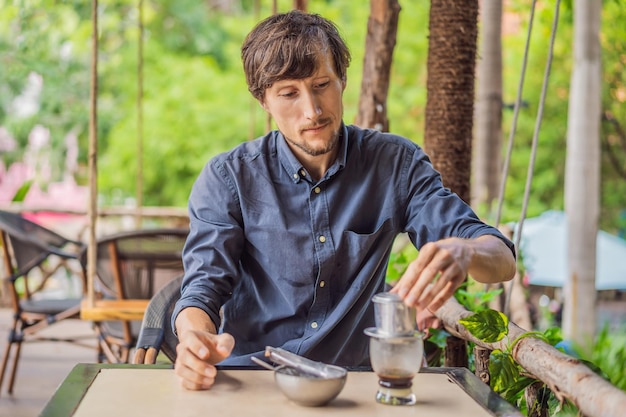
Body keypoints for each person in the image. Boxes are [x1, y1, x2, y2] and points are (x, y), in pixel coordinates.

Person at [172, 10, 516, 391]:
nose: (313, 110)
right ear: (263, 101)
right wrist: (195, 338)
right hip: (254, 383)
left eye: (322, 84)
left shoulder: (394, 164)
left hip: (356, 389)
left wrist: (466, 252)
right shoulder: (228, 177)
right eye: (289, 94)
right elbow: (202, 289)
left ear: (343, 80)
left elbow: (502, 258)